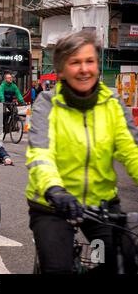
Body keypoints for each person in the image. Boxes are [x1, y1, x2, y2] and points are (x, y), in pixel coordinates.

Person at [26, 30, 138, 274]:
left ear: (98, 65)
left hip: (101, 207)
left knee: (116, 264)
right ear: (61, 70)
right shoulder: (47, 104)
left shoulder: (113, 103)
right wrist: (55, 189)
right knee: (58, 268)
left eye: (90, 61)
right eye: (75, 62)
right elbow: (41, 154)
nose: (84, 69)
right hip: (54, 207)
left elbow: (132, 150)